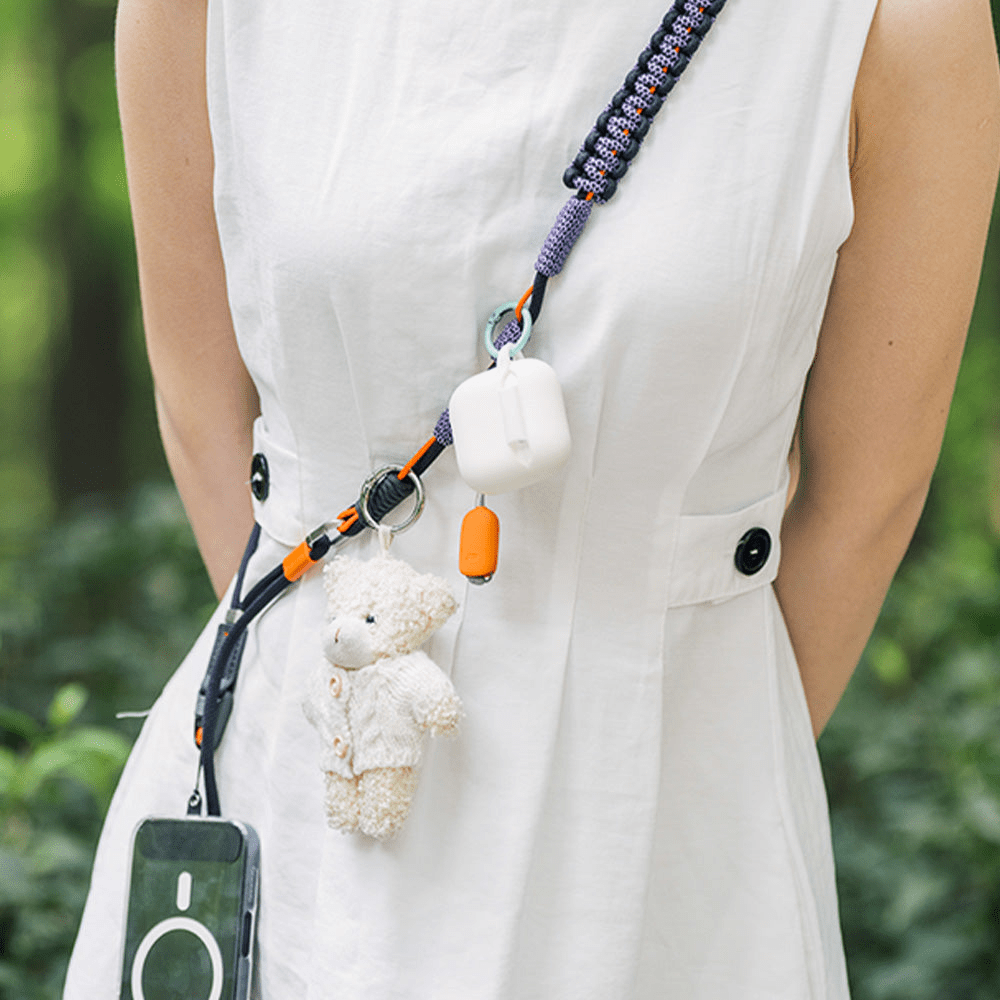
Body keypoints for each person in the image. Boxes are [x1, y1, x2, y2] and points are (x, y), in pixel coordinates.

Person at [66, 0, 999, 997]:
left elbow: (867, 500)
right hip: (303, 800)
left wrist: (665, 755)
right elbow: (201, 412)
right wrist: (336, 681)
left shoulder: (896, 22)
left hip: (675, 849)